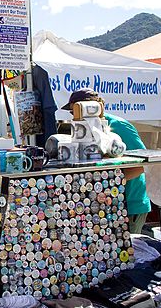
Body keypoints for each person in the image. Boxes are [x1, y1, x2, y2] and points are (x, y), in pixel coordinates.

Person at [62, 88, 151, 234]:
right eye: (72, 113)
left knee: (130, 252)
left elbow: (143, 164)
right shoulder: (83, 130)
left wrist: (111, 182)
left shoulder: (118, 125)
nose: (74, 117)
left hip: (131, 202)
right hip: (107, 205)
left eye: (76, 111)